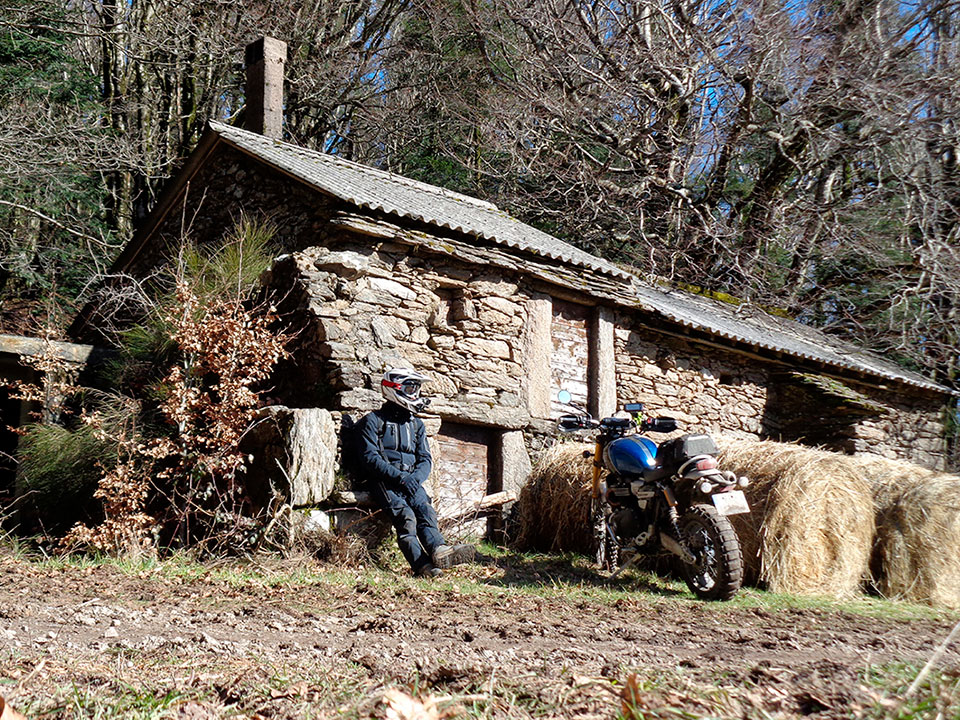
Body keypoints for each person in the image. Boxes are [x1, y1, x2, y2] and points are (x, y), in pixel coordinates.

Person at [357, 367, 475, 578]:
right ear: (394, 389)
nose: (415, 394)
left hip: (411, 481)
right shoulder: (372, 421)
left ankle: (439, 550)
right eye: (411, 388)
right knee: (406, 518)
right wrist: (400, 477)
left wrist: (416, 479)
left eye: (416, 389)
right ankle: (423, 567)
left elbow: (425, 459)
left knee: (425, 511)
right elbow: (369, 458)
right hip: (385, 481)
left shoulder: (417, 424)